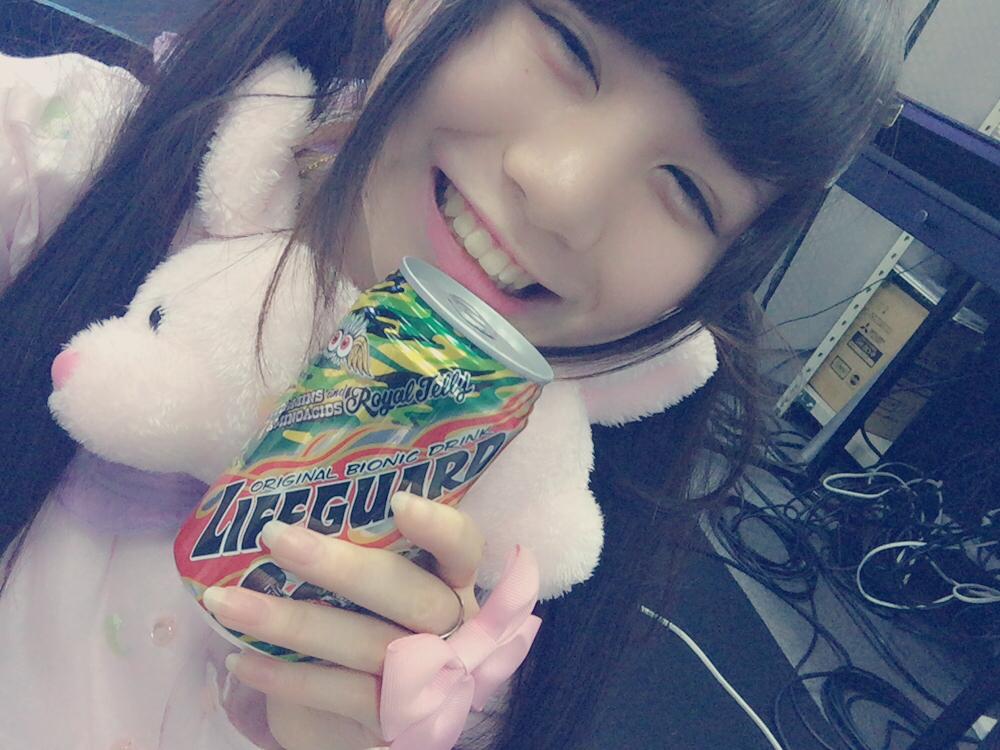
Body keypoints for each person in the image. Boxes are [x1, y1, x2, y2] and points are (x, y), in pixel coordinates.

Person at [0, 1, 902, 748]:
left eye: (690, 190)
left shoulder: (520, 576)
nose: (562, 190)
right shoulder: (63, 161)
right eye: (569, 44)